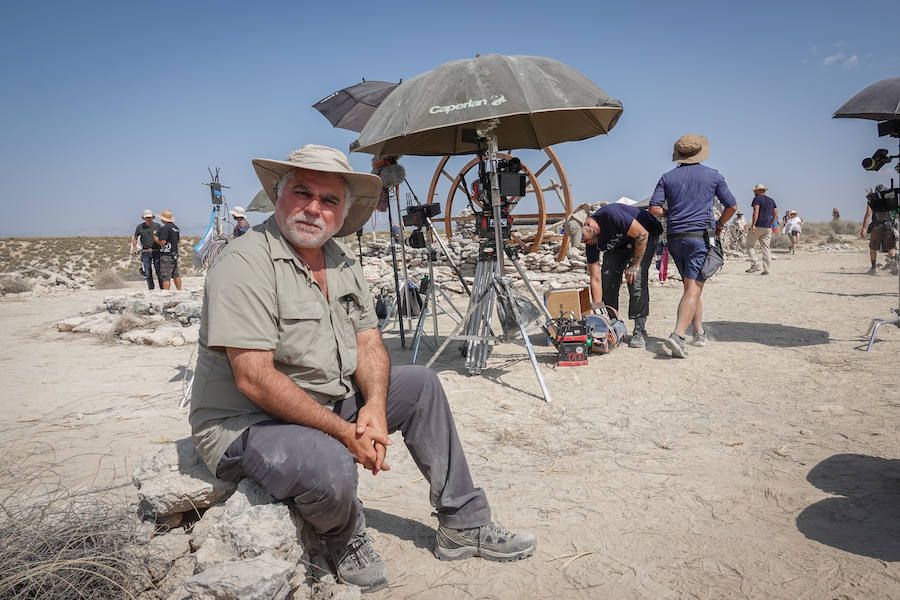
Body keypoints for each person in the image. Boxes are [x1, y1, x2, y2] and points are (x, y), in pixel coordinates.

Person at [189, 145, 535, 593]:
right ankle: (343, 537)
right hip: (247, 423)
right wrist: (344, 432)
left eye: (329, 200)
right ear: (278, 194)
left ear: (343, 211)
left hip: (324, 401)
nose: (314, 208)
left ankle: (463, 523)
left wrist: (372, 405)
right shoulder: (244, 263)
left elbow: (368, 342)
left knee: (422, 385)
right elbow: (253, 378)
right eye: (302, 192)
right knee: (329, 461)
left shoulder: (341, 262)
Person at [648, 134, 737, 358]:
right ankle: (678, 335)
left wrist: (672, 213)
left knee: (691, 287)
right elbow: (732, 206)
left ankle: (698, 332)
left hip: (676, 238)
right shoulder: (713, 176)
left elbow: (654, 209)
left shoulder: (667, 177)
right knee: (693, 288)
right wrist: (719, 225)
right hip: (700, 237)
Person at [565, 202, 662, 348]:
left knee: (636, 278)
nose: (583, 241)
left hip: (645, 234)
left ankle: (639, 329)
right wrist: (598, 311)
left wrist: (635, 265)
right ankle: (611, 324)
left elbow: (642, 234)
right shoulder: (591, 242)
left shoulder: (611, 215)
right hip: (621, 243)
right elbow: (595, 278)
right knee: (608, 275)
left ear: (588, 224)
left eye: (582, 237)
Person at [861, 184, 898, 274]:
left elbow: (868, 214)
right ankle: (894, 268)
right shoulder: (890, 198)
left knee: (873, 247)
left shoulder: (873, 199)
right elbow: (895, 213)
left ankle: (873, 269)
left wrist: (864, 228)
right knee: (891, 247)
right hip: (889, 226)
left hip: (876, 226)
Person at [745, 184, 778, 274]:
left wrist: (753, 225)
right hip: (768, 227)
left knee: (749, 245)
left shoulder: (757, 199)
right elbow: (776, 214)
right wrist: (771, 224)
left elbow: (756, 211)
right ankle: (767, 270)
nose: (754, 192)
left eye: (755, 191)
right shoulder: (771, 200)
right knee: (766, 248)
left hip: (758, 225)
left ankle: (755, 263)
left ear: (759, 191)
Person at [131, 209, 163, 290]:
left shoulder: (158, 226)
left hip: (157, 252)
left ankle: (162, 289)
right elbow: (135, 238)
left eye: (150, 217)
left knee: (159, 272)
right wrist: (134, 248)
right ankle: (151, 290)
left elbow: (163, 237)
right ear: (143, 218)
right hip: (145, 252)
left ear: (152, 217)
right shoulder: (139, 227)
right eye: (147, 217)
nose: (148, 219)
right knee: (148, 273)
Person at [153, 210, 182, 290]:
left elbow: (162, 242)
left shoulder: (165, 228)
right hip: (174, 253)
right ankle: (180, 290)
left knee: (165, 276)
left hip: (166, 255)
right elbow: (178, 241)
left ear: (163, 219)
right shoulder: (176, 228)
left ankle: (166, 293)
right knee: (175, 274)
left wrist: (156, 240)